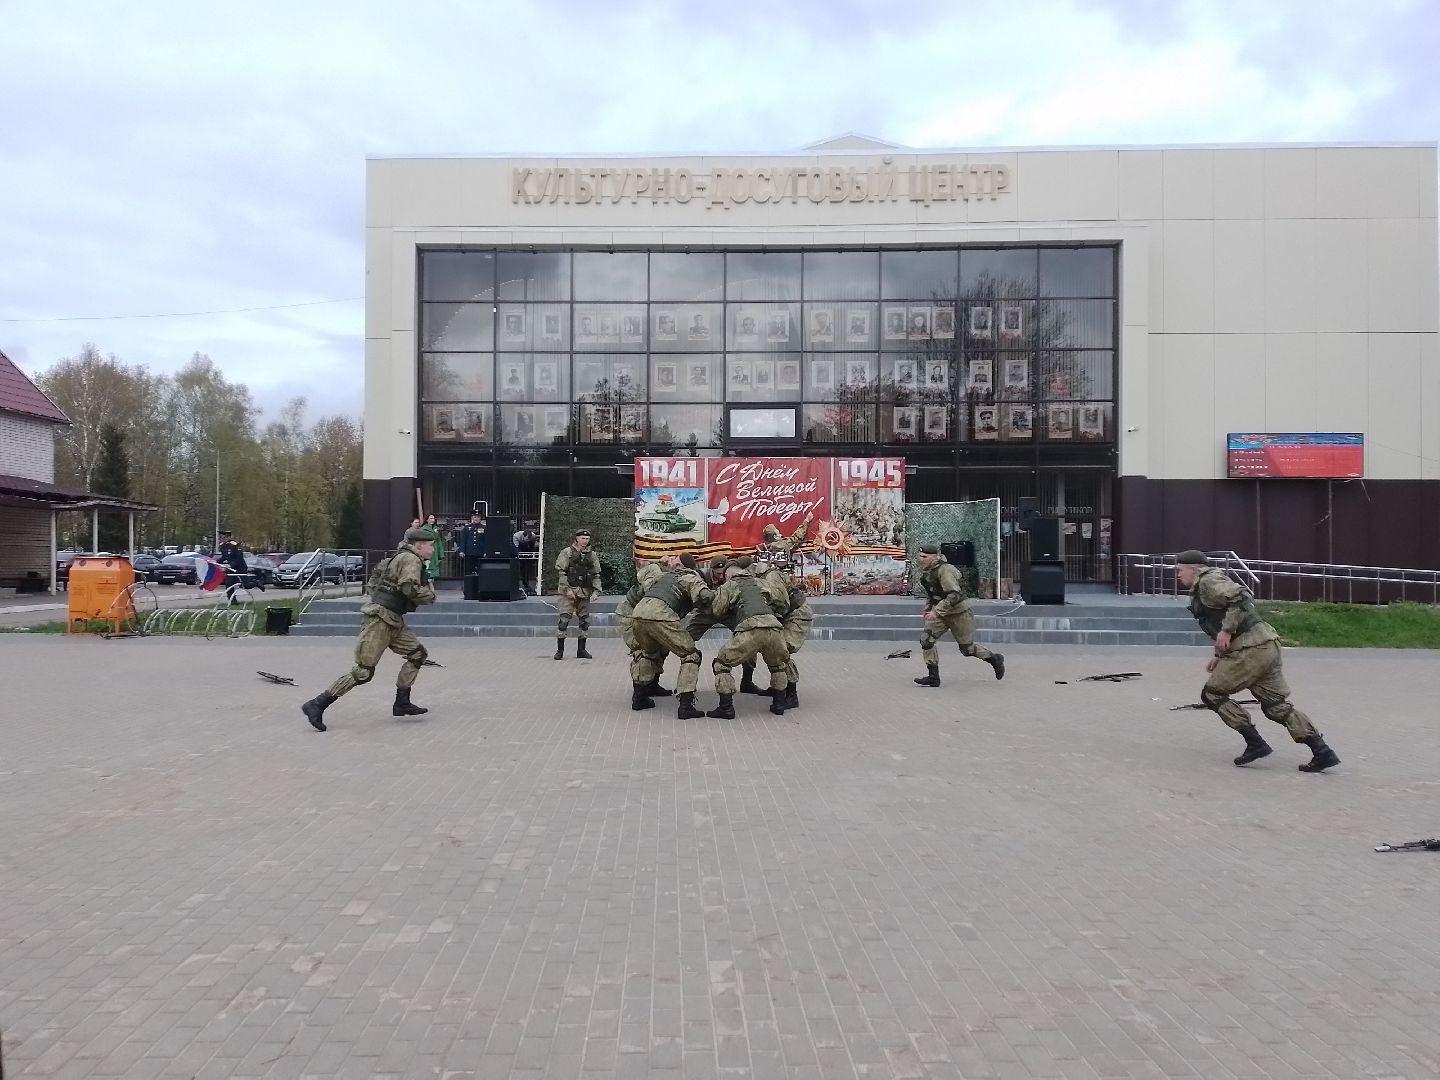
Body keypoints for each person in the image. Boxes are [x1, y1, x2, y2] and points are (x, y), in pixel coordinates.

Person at [1175, 550, 1340, 771]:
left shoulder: (1208, 581)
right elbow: (1228, 612)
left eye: (1179, 570)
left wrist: (1225, 632)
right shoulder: (1208, 582)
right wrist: (1220, 654)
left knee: (1212, 694)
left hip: (1251, 649)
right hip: (1266, 645)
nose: (1177, 575)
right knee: (1275, 705)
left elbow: (1241, 597)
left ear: (1193, 569)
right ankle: (1322, 751)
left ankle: (1255, 743)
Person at [301, 527, 437, 731]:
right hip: (380, 621)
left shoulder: (397, 558)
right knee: (363, 671)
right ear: (419, 545)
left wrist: (381, 600)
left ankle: (402, 702)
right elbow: (408, 587)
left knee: (417, 654)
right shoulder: (410, 560)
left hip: (392, 618)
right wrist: (429, 596)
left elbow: (374, 580)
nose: (433, 550)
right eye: (430, 545)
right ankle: (317, 704)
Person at [630, 553, 714, 717]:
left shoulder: (663, 576)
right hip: (661, 615)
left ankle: (639, 698)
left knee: (649, 653)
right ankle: (686, 706)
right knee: (691, 655)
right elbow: (704, 595)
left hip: (639, 613)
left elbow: (644, 588)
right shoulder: (691, 577)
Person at [707, 556, 790, 719]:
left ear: (728, 576)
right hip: (774, 628)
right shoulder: (761, 583)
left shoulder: (729, 585)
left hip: (750, 629)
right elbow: (780, 601)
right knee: (778, 666)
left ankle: (726, 708)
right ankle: (779, 704)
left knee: (721, 664)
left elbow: (717, 610)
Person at [913, 544, 1004, 686]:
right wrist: (928, 607)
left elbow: (954, 594)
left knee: (967, 649)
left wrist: (936, 611)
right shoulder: (929, 571)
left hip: (959, 613)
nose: (921, 559)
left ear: (935, 557)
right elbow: (934, 592)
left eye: (924, 557)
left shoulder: (945, 570)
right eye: (920, 556)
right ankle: (933, 677)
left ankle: (994, 659)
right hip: (942, 613)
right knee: (926, 640)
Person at [742, 550, 812, 709]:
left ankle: (792, 695)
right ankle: (779, 687)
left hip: (796, 615)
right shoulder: (759, 578)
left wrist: (770, 618)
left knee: (782, 650)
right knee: (772, 648)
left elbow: (782, 603)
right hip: (783, 615)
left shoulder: (771, 577)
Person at [617, 558, 670, 708]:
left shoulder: (670, 571)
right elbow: (648, 587)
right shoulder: (654, 569)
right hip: (631, 614)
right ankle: (639, 696)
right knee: (642, 651)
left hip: (649, 615)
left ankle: (652, 685)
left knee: (661, 648)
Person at [554, 529, 601, 659]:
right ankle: (560, 650)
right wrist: (566, 589)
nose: (585, 541)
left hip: (585, 592)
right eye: (582, 538)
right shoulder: (567, 553)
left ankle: (581, 650)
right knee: (563, 621)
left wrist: (596, 591)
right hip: (569, 591)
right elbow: (561, 572)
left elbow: (596, 574)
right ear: (577, 539)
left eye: (587, 539)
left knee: (584, 621)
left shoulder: (592, 555)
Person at [215, 529, 249, 606]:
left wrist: (231, 565)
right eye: (220, 538)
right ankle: (233, 603)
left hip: (240, 567)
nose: (221, 539)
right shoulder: (223, 546)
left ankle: (257, 583)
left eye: (222, 537)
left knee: (246, 585)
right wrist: (215, 562)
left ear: (227, 537)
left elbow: (239, 558)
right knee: (229, 585)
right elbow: (224, 557)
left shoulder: (235, 545)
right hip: (231, 569)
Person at [455, 510, 485, 579]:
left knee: (481, 571)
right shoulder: (466, 528)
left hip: (480, 553)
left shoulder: (484, 528)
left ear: (480, 518)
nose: (476, 519)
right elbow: (463, 540)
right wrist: (462, 551)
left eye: (478, 517)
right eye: (475, 517)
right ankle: (469, 587)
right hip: (469, 553)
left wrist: (485, 551)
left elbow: (486, 541)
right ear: (472, 518)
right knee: (468, 571)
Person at [512, 522, 539, 593]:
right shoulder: (516, 536)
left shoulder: (533, 536)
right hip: (519, 547)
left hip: (528, 548)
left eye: (529, 539)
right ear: (524, 536)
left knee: (527, 568)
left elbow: (534, 547)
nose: (528, 540)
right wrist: (519, 555)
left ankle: (527, 584)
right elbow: (516, 548)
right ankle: (519, 584)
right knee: (520, 567)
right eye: (527, 539)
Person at [423, 514, 445, 580]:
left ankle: (432, 581)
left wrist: (441, 553)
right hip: (427, 549)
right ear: (427, 520)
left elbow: (439, 542)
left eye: (433, 519)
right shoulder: (424, 529)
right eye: (431, 518)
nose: (433, 520)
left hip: (435, 550)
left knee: (435, 565)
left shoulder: (436, 529)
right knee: (428, 566)